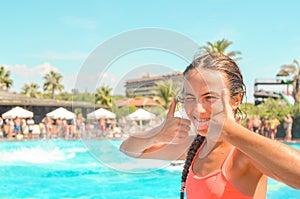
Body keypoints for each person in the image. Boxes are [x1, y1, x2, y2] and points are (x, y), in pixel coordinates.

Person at [120, 52, 300, 199]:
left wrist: (233, 132)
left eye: (209, 97)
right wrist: (157, 134)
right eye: (190, 98)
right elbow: (128, 149)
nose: (198, 109)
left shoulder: (243, 154)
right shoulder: (195, 147)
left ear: (236, 99)